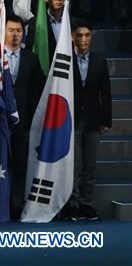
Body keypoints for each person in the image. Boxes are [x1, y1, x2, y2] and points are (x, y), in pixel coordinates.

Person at [0, 14, 45, 220]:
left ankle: (15, 205)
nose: (15, 35)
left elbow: (37, 92)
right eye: (11, 30)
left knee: (20, 166)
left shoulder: (31, 59)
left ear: (23, 34)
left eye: (19, 31)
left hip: (22, 124)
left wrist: (31, 119)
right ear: (4, 31)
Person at [67, 20, 112, 221]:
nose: (83, 39)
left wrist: (106, 120)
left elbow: (106, 93)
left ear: (91, 37)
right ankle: (73, 204)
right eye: (80, 35)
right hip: (72, 119)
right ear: (73, 37)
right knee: (74, 165)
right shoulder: (65, 59)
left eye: (87, 35)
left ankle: (87, 204)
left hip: (93, 120)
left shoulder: (99, 61)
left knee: (90, 165)